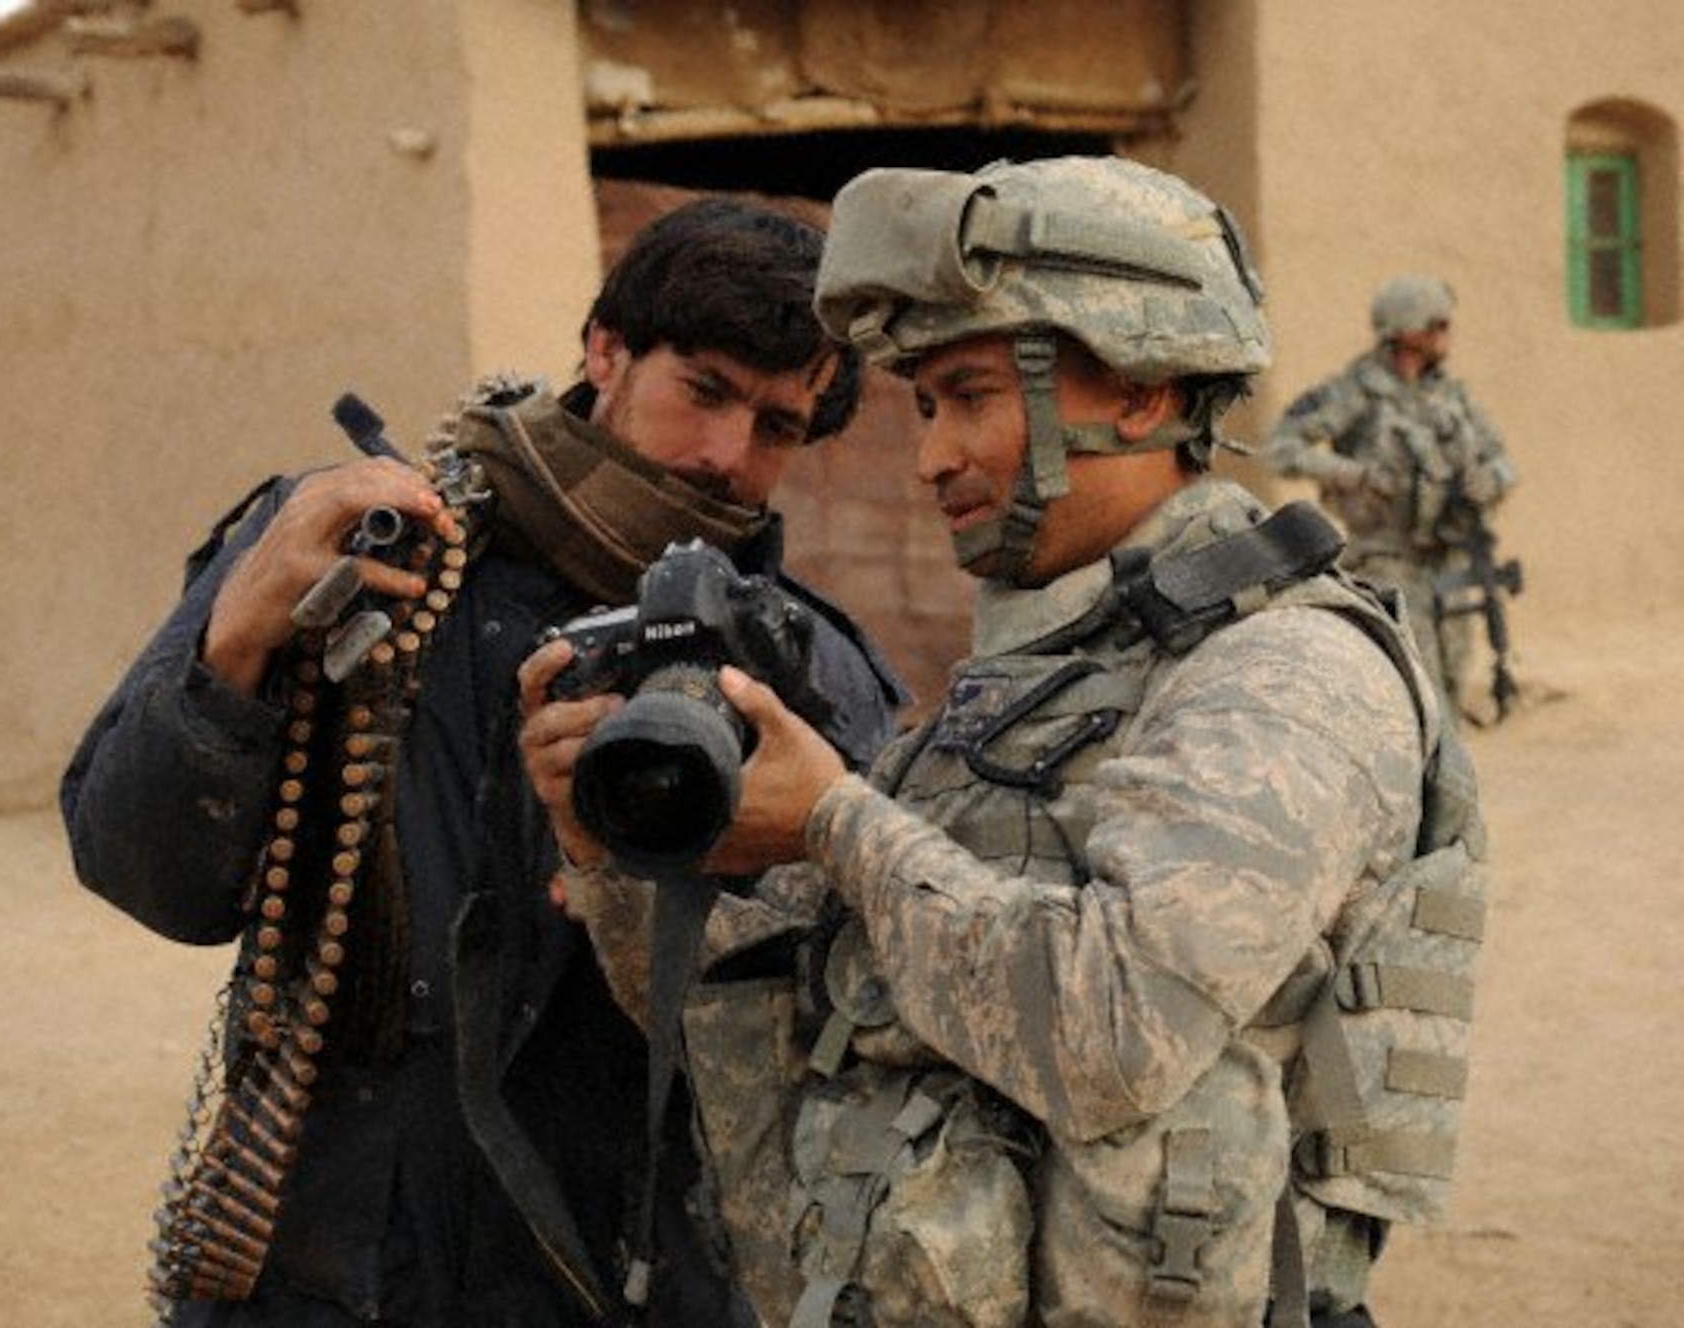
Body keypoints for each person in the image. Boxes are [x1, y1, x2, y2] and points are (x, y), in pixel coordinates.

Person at [520, 159, 1488, 1328]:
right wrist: (611, 850)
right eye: (924, 405)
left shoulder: (1284, 672)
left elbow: (1112, 1030)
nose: (929, 456)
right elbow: (737, 1013)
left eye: (969, 395)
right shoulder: (1034, 681)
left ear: (1138, 389)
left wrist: (836, 819)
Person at [60, 196, 904, 1328]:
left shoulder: (809, 678)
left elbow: (847, 1034)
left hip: (632, 1280)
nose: (725, 456)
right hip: (336, 1275)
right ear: (605, 349)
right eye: (702, 390)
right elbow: (141, 870)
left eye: (776, 428)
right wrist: (239, 634)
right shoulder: (361, 556)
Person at [1265, 275, 1519, 715]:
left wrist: (1491, 479)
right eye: (1438, 324)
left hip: (1451, 561)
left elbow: (1502, 460)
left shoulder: (1451, 395)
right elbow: (1281, 448)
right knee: (1418, 689)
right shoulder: (1355, 392)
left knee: (1454, 683)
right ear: (1407, 330)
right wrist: (1354, 474)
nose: (1448, 334)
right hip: (1388, 561)